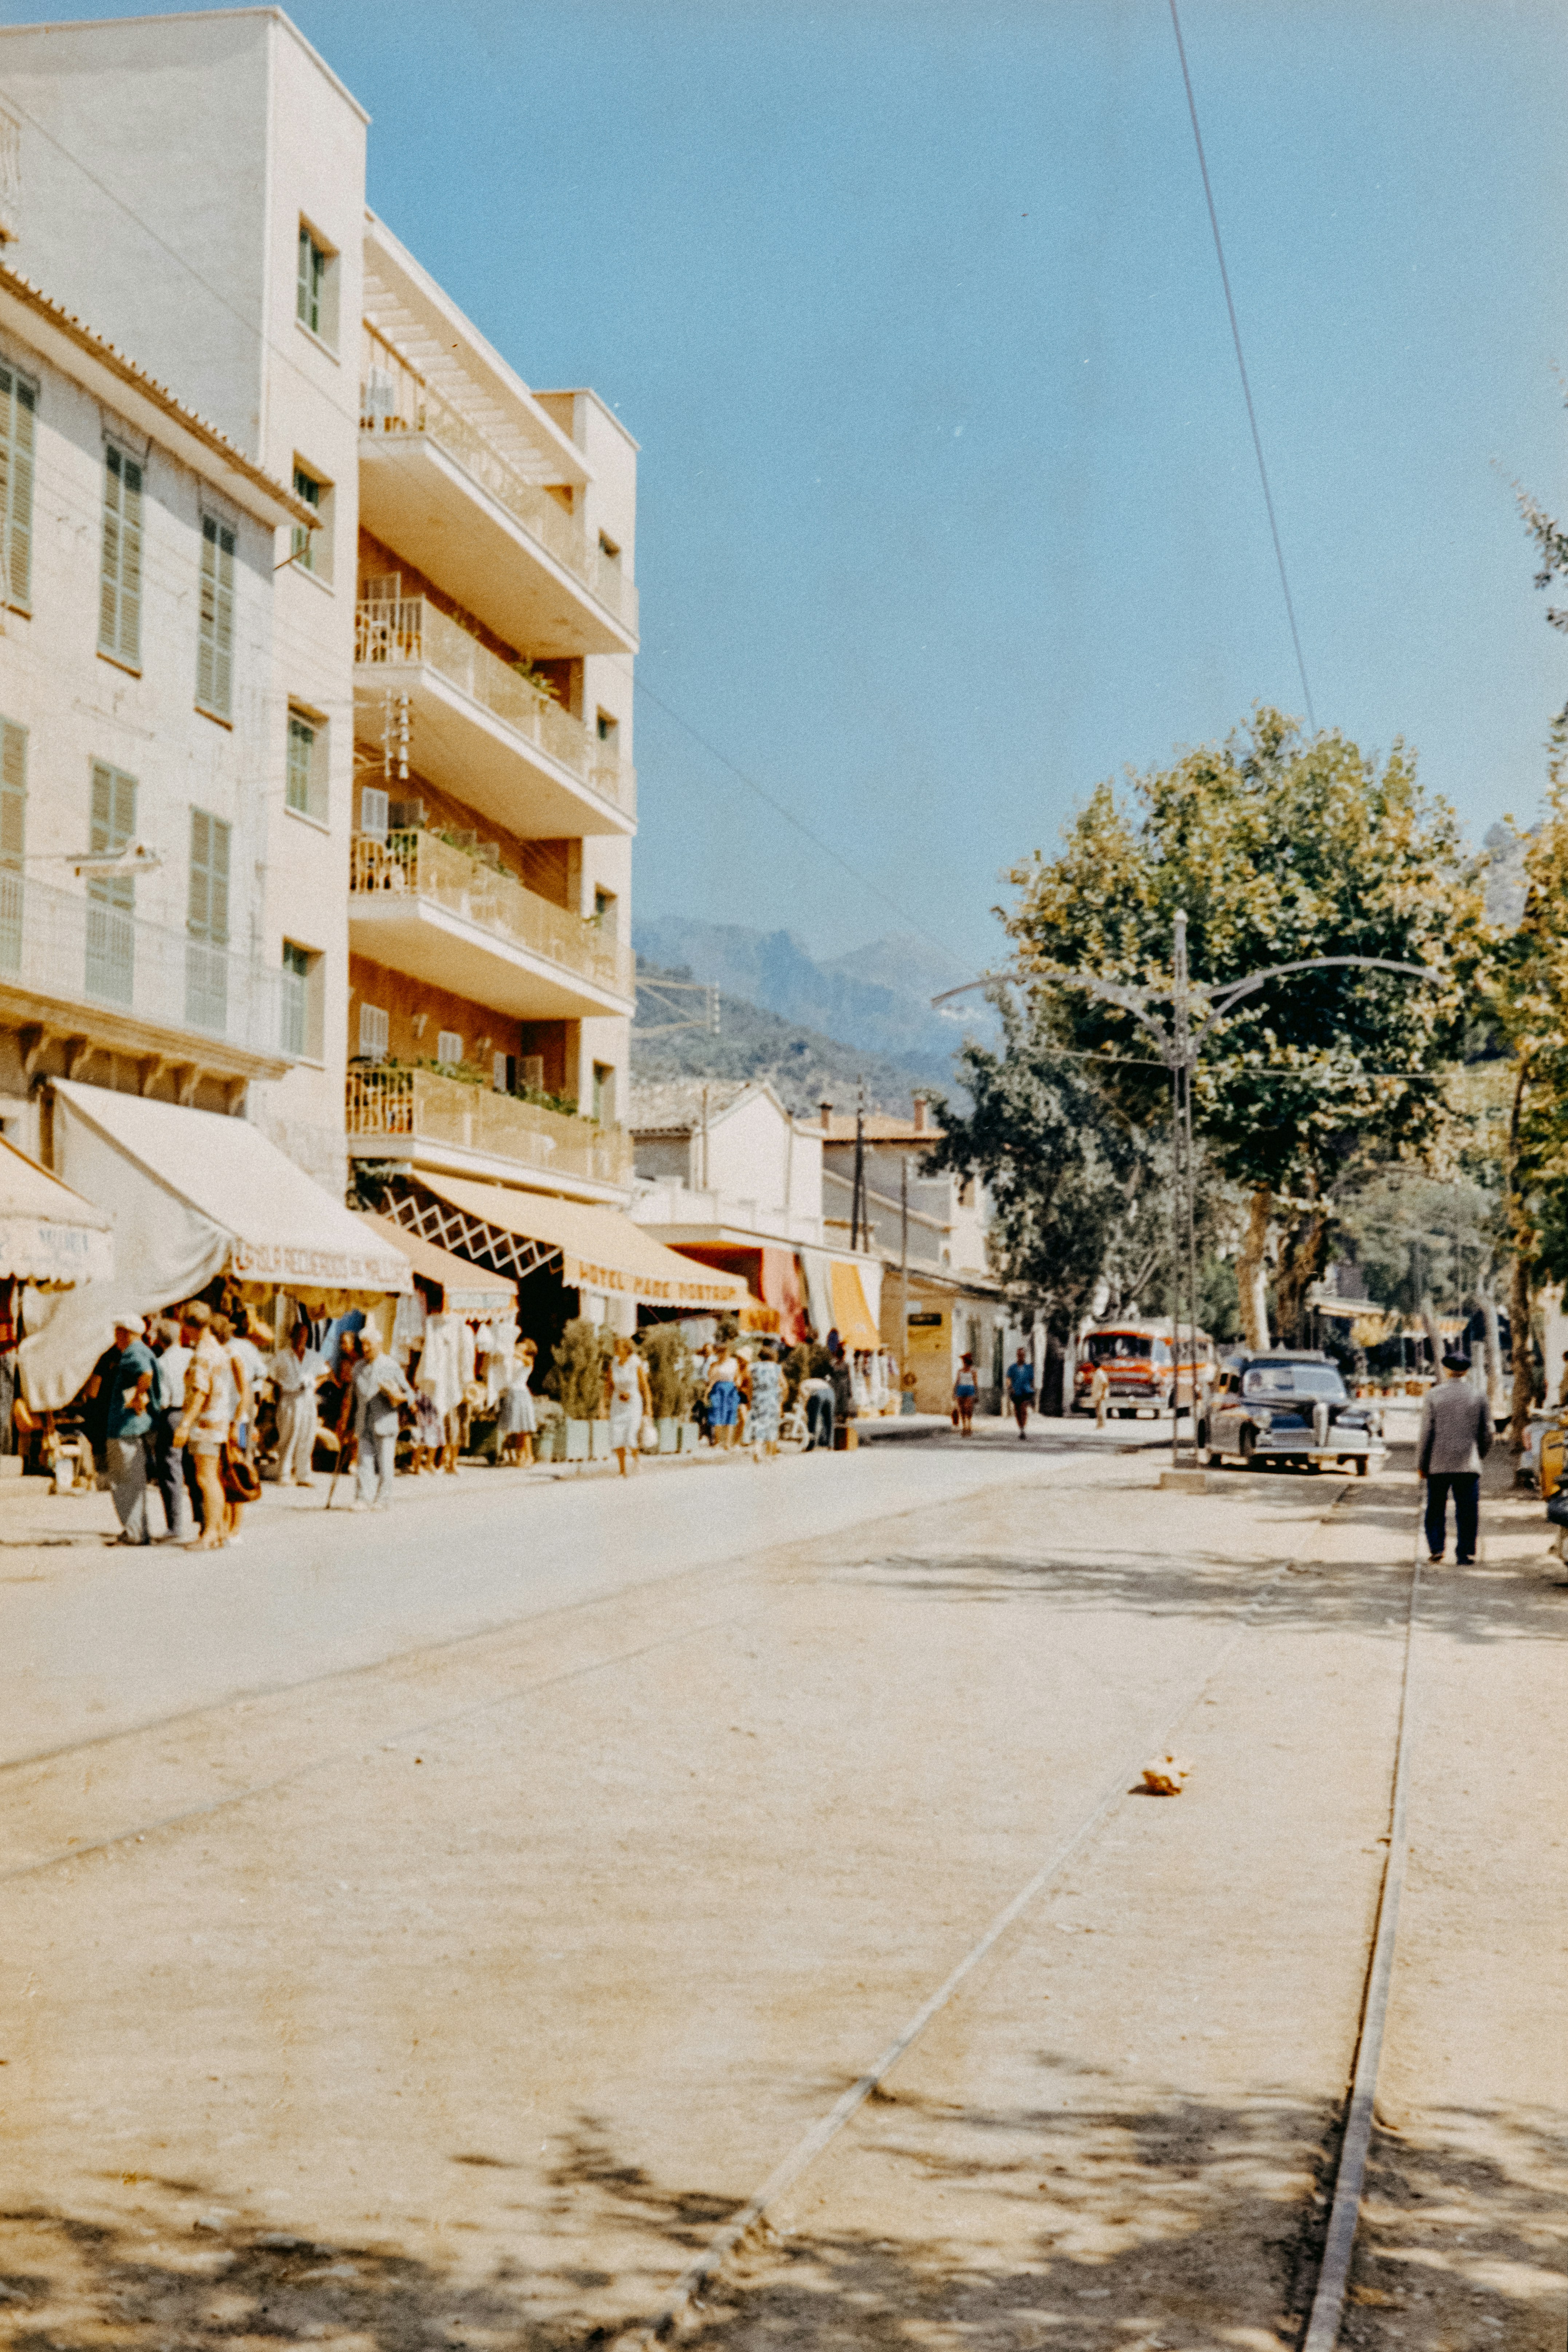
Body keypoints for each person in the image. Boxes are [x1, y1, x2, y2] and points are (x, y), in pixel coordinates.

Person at [1417, 1350, 1492, 1565]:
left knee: (1435, 1508)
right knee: (1468, 1510)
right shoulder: (1479, 1395)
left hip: (1438, 1463)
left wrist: (1422, 1463)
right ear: (1468, 1370)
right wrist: (1479, 1455)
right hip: (1468, 1463)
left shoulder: (1434, 1395)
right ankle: (1466, 1552)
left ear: (1447, 1369)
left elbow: (1426, 1433)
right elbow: (1488, 1432)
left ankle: (1437, 1549)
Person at [172, 1302, 232, 1551]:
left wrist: (185, 1425)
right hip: (218, 1421)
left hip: (204, 1424)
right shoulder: (219, 1350)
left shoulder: (202, 1354)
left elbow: (200, 1392)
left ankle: (209, 1533)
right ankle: (218, 1531)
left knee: (205, 1479)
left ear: (190, 1325)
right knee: (213, 1478)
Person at [102, 1315, 157, 1546]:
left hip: (125, 1427)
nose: (115, 1337)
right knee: (135, 1482)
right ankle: (139, 1531)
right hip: (137, 1426)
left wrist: (138, 1396)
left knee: (124, 1481)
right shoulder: (146, 1351)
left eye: (118, 1332)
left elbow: (146, 1374)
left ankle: (134, 1533)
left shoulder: (133, 1353)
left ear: (126, 1333)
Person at [351, 1323, 413, 1511]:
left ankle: (384, 1499)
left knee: (386, 1464)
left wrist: (398, 1397)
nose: (366, 1348)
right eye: (363, 1344)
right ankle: (363, 1498)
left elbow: (409, 1393)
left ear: (379, 1344)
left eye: (369, 1344)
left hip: (385, 1422)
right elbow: (353, 1396)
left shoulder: (390, 1365)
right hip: (364, 1421)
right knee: (364, 1462)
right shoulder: (358, 1367)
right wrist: (346, 1422)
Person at [148, 1318, 191, 1542]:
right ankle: (203, 1516)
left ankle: (175, 1525)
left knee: (170, 1468)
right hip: (193, 1412)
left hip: (173, 1414)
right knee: (193, 1466)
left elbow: (163, 1398)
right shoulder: (191, 1356)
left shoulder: (161, 1363)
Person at [270, 1318, 326, 1486]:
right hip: (290, 1399)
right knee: (288, 1437)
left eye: (305, 1335)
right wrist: (282, 1386)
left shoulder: (313, 1357)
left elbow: (326, 1373)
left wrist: (315, 1384)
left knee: (307, 1437)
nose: (301, 1338)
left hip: (308, 1399)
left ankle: (303, 1475)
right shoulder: (282, 1355)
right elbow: (270, 1374)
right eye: (298, 1334)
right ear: (292, 1335)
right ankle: (285, 1474)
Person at [602, 1333, 652, 1476]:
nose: (616, 1349)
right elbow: (608, 1386)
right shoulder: (614, 1364)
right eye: (615, 1346)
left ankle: (637, 1460)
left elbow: (644, 1386)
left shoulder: (636, 1362)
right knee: (617, 1435)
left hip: (634, 1403)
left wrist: (648, 1405)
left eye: (618, 1346)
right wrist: (603, 1405)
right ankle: (623, 1471)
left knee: (630, 1435)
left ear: (626, 1348)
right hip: (617, 1403)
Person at [499, 1338, 538, 1466]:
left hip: (521, 1394)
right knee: (519, 1428)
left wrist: (510, 1349)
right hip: (514, 1393)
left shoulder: (528, 1360)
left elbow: (519, 1357)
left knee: (524, 1428)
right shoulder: (518, 1359)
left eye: (523, 1344)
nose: (520, 1344)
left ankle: (527, 1456)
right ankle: (524, 1456)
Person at [706, 1341, 743, 1453]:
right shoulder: (715, 1364)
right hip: (718, 1388)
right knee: (717, 1413)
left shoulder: (734, 1362)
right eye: (720, 1353)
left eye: (724, 1352)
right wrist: (717, 1365)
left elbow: (738, 1377)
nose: (723, 1354)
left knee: (730, 1415)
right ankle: (718, 1442)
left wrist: (738, 1383)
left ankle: (728, 1443)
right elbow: (711, 1377)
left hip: (731, 1389)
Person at [749, 1339, 783, 1460]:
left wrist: (750, 1400)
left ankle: (757, 1450)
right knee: (771, 1425)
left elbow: (750, 1386)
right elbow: (783, 1385)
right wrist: (782, 1400)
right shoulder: (776, 1368)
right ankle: (770, 1453)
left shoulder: (753, 1367)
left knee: (758, 1424)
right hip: (772, 1398)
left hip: (757, 1397)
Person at [800, 1369, 835, 1452]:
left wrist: (806, 1408)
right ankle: (831, 1444)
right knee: (829, 1420)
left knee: (813, 1420)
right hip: (830, 1392)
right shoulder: (818, 1381)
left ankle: (812, 1445)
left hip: (818, 1393)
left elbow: (805, 1396)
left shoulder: (803, 1384)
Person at [1006, 1346, 1035, 1438]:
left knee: (1023, 1410)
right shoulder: (1013, 1368)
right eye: (1019, 1355)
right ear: (1017, 1356)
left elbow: (1032, 1380)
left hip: (1025, 1391)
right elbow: (1008, 1379)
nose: (1021, 1357)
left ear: (1025, 1356)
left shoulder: (1029, 1368)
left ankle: (1023, 1429)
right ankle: (1021, 1427)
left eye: (1022, 1355)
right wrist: (1010, 1388)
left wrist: (1032, 1390)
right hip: (1015, 1392)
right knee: (1017, 1411)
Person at [952, 1351, 978, 1436]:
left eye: (964, 1361)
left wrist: (977, 1394)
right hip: (961, 1390)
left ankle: (969, 1426)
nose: (964, 1362)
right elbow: (957, 1382)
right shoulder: (960, 1371)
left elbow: (975, 1383)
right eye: (963, 1361)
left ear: (968, 1361)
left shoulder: (973, 1371)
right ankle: (964, 1427)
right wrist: (954, 1392)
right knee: (962, 1410)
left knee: (968, 1409)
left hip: (970, 1390)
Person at [1091, 1360, 1111, 1430]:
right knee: (1098, 1411)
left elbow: (1105, 1384)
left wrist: (1103, 1394)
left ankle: (1102, 1425)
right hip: (1097, 1395)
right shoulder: (1097, 1373)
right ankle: (1099, 1425)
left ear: (1094, 1366)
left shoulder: (1100, 1374)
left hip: (1100, 1395)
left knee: (1101, 1411)